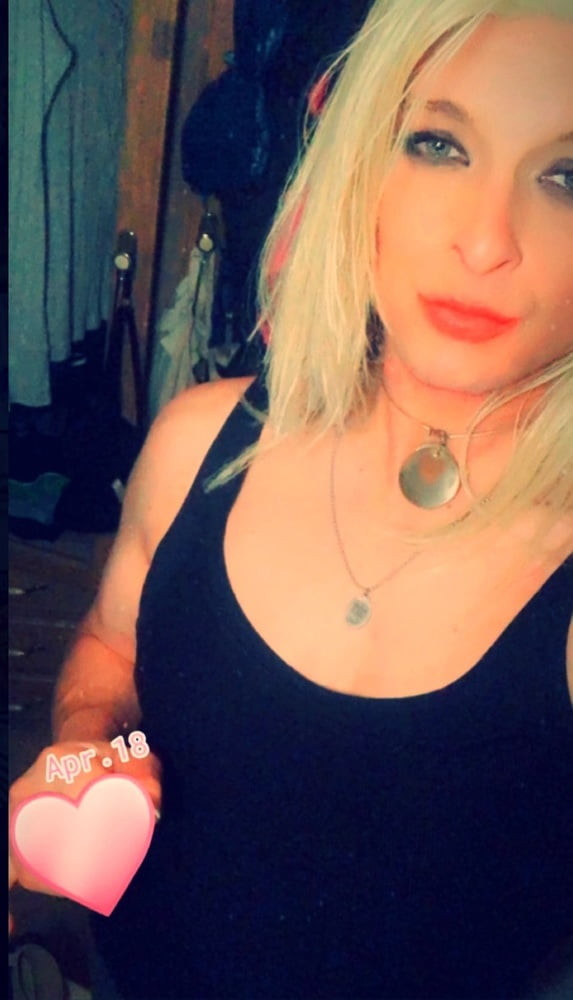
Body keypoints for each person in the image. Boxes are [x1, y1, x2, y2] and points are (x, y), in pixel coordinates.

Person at [9, 0, 573, 997]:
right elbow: (109, 644)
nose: (487, 241)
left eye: (566, 177)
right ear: (360, 166)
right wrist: (82, 749)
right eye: (439, 145)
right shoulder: (198, 441)